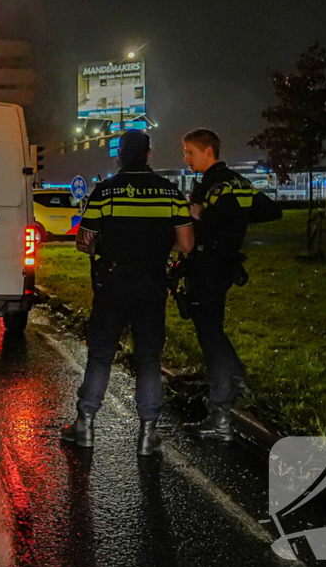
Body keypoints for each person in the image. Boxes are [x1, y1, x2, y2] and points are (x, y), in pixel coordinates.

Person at [62, 130, 194, 456]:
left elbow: (83, 242)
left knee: (101, 354)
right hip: (152, 284)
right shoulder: (170, 192)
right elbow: (186, 244)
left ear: (119, 155)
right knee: (148, 358)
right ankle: (148, 434)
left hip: (112, 284)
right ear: (148, 155)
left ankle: (85, 425)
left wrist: (102, 244)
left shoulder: (105, 192)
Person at [180, 128, 279, 442]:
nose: (186, 159)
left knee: (210, 337)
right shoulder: (237, 182)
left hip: (207, 267)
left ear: (208, 151)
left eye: (190, 152)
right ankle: (238, 380)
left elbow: (209, 221)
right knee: (213, 332)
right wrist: (232, 219)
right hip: (222, 268)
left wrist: (204, 214)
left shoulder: (215, 184)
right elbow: (269, 209)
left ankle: (221, 415)